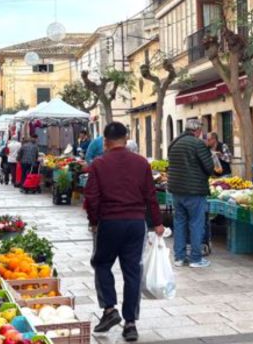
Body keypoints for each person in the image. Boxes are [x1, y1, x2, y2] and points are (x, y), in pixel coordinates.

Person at [84, 122, 164, 342]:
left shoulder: (99, 164)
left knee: (101, 263)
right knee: (132, 271)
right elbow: (151, 195)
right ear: (126, 139)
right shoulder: (141, 163)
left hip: (109, 222)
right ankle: (130, 324)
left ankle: (110, 309)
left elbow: (91, 197)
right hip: (136, 223)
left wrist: (94, 221)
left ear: (105, 141)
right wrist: (157, 222)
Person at [167, 119, 214, 268]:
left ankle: (179, 258)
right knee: (196, 224)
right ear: (197, 130)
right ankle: (195, 258)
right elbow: (209, 167)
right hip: (194, 190)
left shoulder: (174, 143)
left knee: (179, 223)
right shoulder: (198, 144)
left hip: (176, 190)